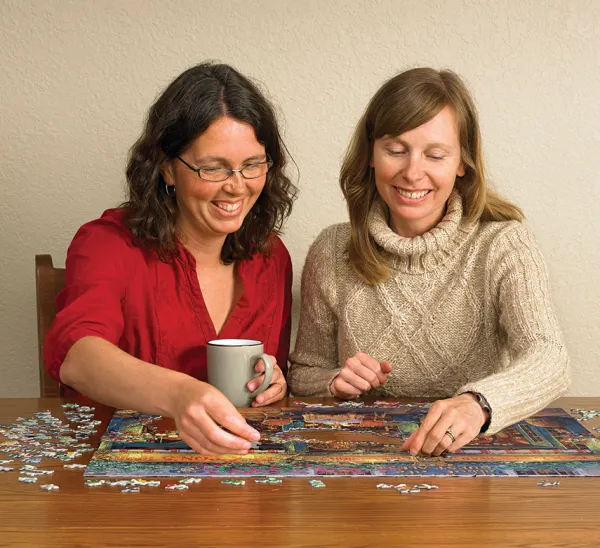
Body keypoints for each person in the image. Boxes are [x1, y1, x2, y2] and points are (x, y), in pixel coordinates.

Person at [289, 67, 570, 457]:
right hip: (364, 459)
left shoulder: (503, 243)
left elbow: (550, 358)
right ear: (371, 154)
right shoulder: (332, 250)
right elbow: (303, 374)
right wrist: (334, 381)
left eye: (435, 155)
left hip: (471, 458)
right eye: (396, 150)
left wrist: (478, 404)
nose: (412, 173)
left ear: (462, 162)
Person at [45, 62, 297, 456]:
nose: (236, 186)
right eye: (212, 168)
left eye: (252, 165)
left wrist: (275, 382)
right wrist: (180, 394)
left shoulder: (271, 257)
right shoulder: (107, 244)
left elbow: (267, 385)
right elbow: (78, 357)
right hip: (116, 471)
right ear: (166, 168)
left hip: (237, 471)